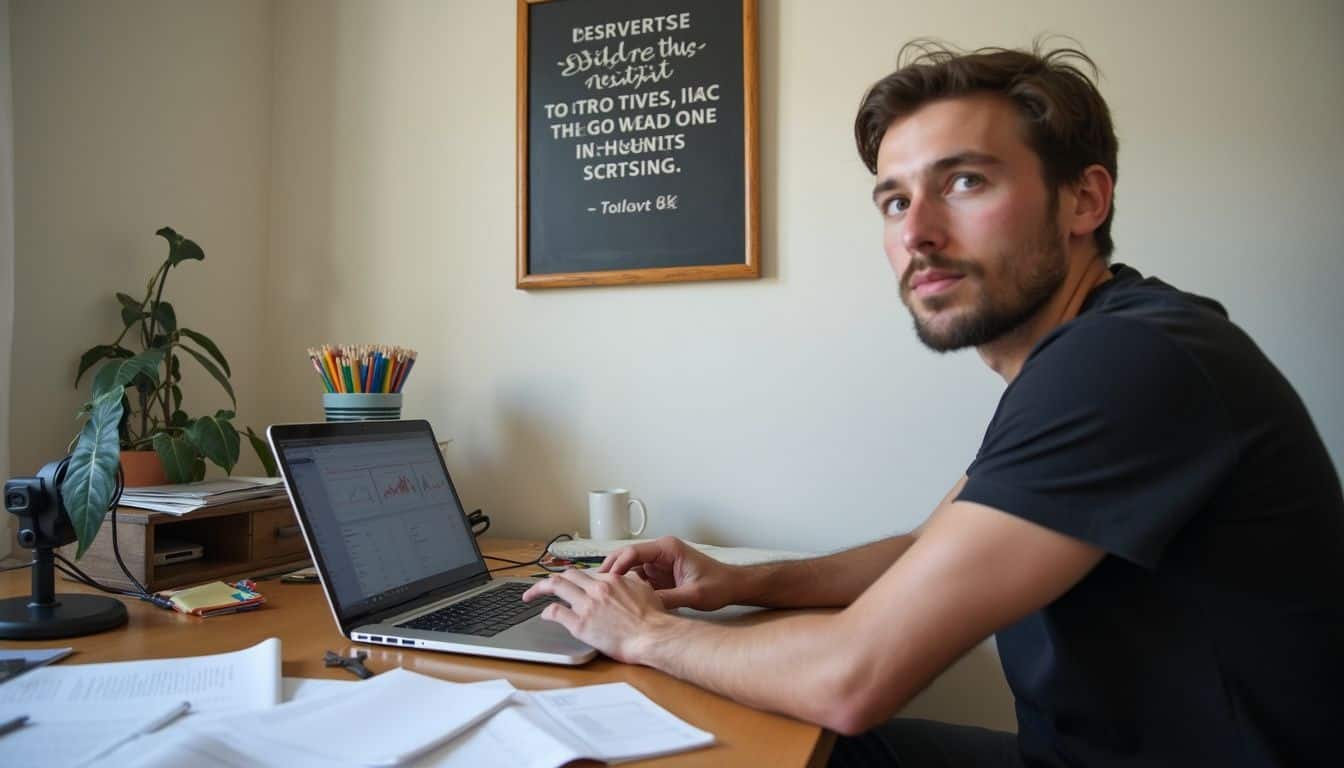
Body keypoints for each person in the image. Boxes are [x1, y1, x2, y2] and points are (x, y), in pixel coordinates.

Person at [523, 40, 1343, 766]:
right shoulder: (1088, 353)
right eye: (895, 200)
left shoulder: (1127, 360)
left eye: (964, 181)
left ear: (1084, 202)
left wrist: (645, 631)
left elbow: (851, 680)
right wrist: (737, 581)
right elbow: (927, 549)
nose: (917, 232)